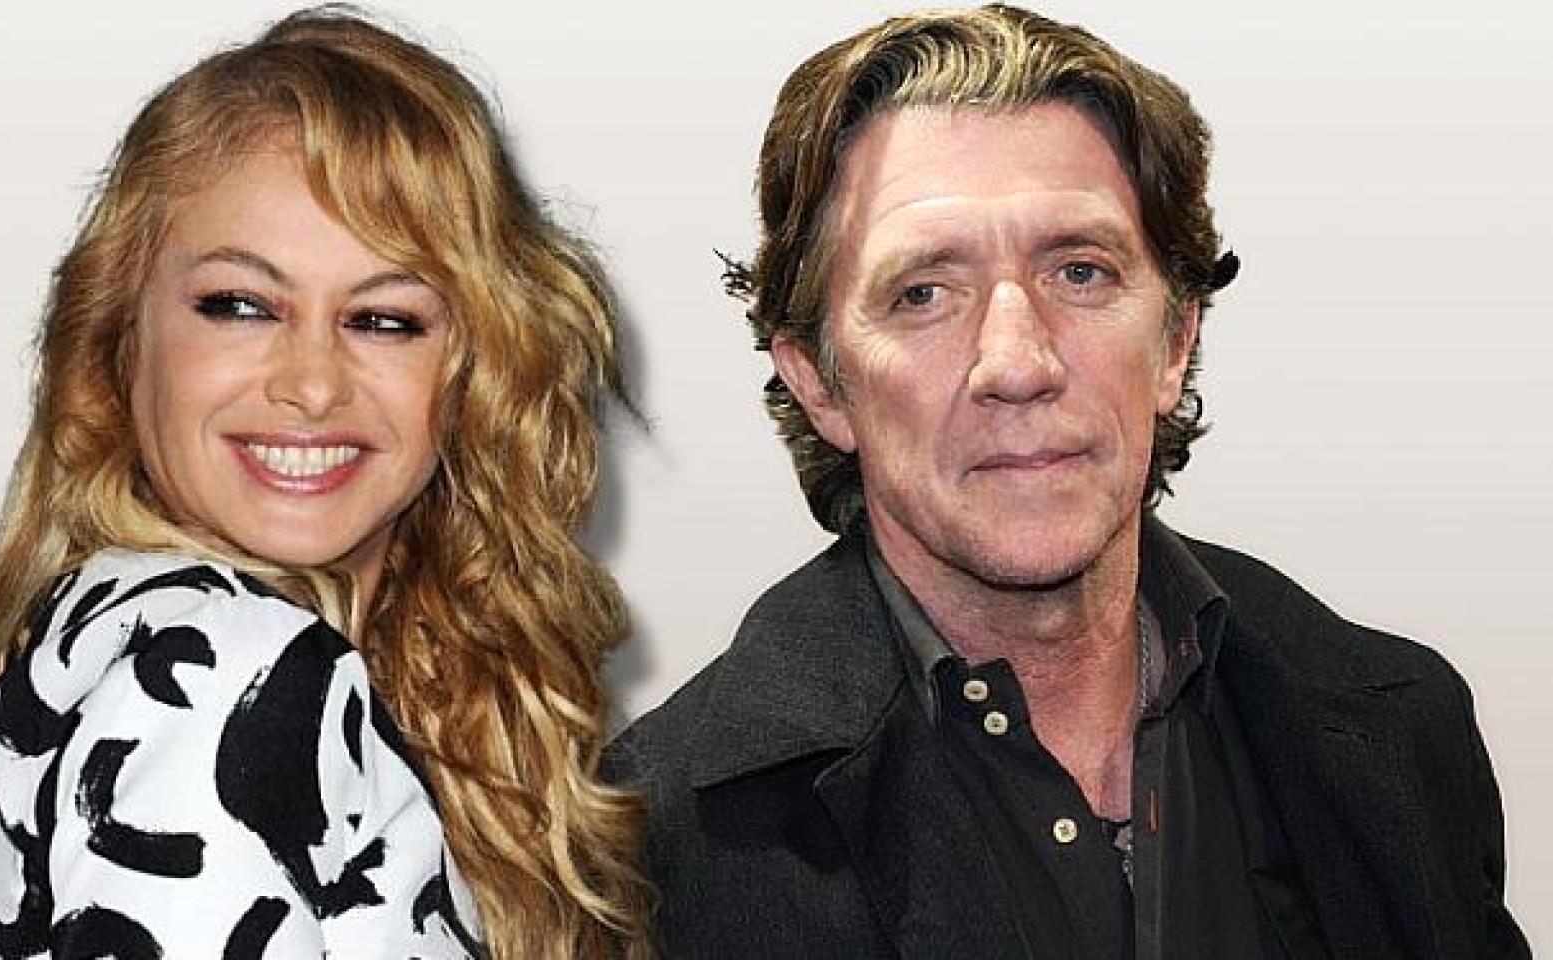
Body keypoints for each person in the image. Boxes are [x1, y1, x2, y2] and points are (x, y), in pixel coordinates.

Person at [605, 5, 1528, 958]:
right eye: (924, 293)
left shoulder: (1405, 731)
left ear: (1175, 340)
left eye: (1080, 272)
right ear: (820, 382)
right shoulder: (646, 854)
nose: (1018, 361)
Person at [0, 8, 647, 957]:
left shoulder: (107, 643)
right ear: (119, 341)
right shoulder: (222, 670)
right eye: (240, 305)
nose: (313, 384)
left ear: (473, 373)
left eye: (384, 320)